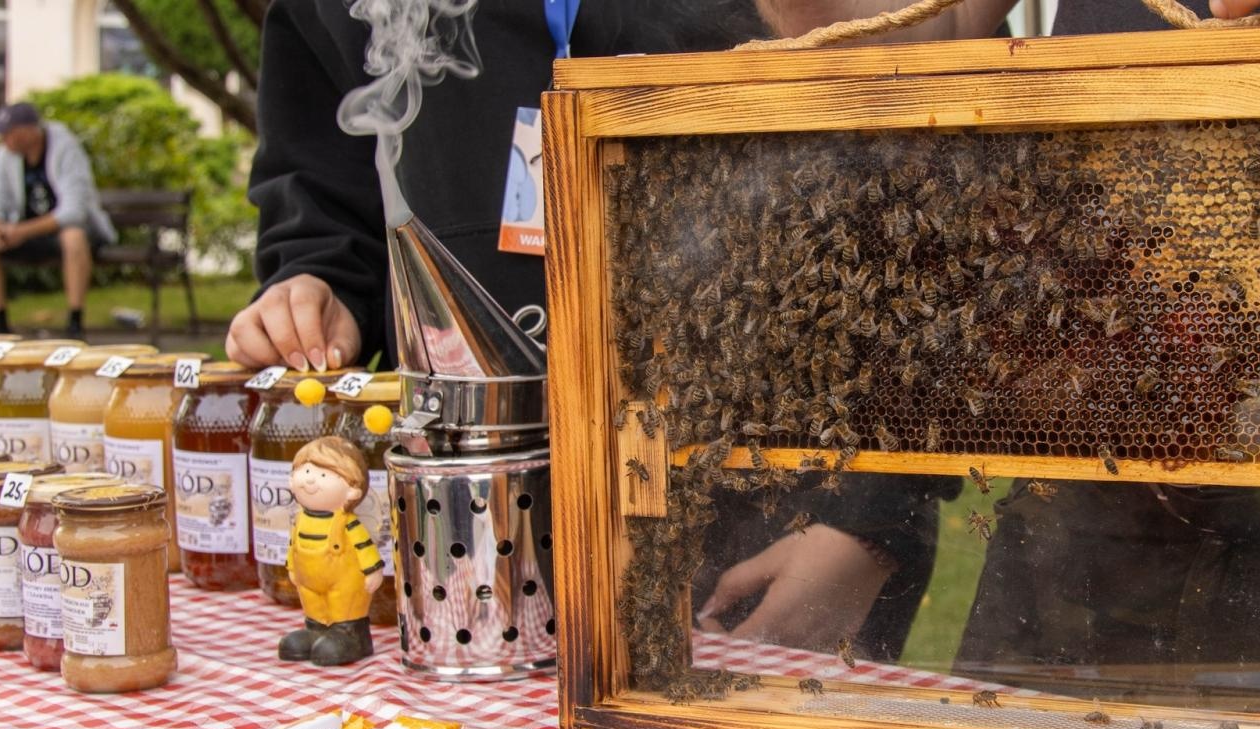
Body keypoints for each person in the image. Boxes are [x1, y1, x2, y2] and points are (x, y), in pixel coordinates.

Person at [233, 1, 977, 662]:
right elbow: (324, 197)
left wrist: (870, 515)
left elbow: (914, 177)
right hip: (468, 539)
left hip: (787, 514)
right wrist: (318, 283)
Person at [0, 102, 115, 339]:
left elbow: (74, 211)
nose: (2, 139)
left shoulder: (65, 148)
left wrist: (22, 231)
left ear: (28, 131)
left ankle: (75, 323)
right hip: (23, 230)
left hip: (64, 230)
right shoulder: (5, 153)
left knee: (73, 237)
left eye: (8, 133)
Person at [279, 436, 385, 666]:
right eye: (306, 471)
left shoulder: (347, 523)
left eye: (323, 475)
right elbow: (293, 546)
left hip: (345, 582)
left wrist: (373, 571)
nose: (310, 480)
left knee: (343, 606)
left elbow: (364, 547)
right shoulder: (301, 519)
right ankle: (316, 630)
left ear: (352, 491)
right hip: (309, 582)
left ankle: (350, 635)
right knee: (313, 605)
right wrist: (292, 568)